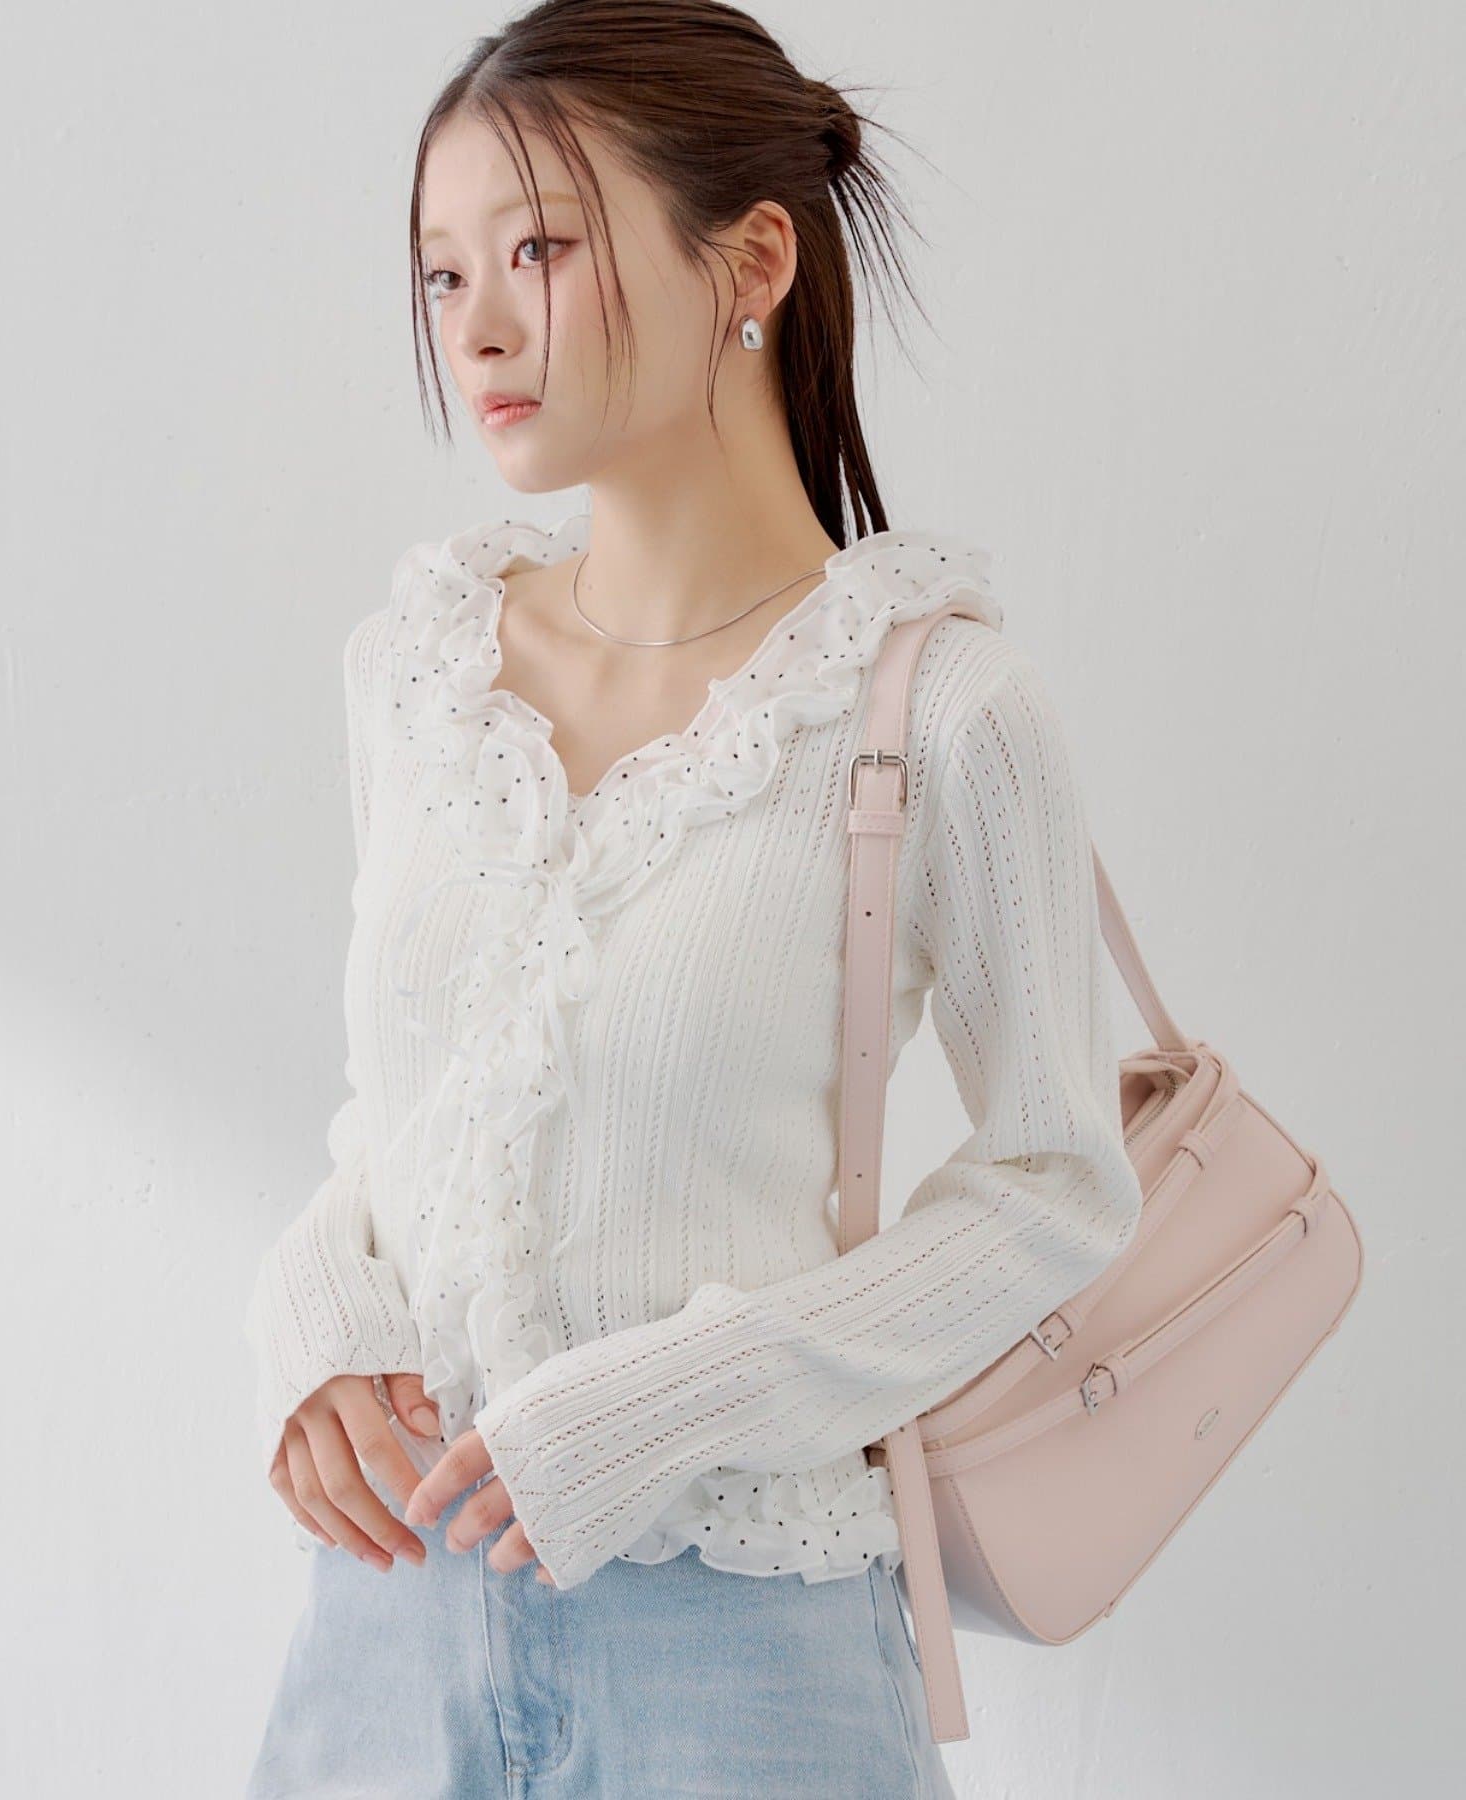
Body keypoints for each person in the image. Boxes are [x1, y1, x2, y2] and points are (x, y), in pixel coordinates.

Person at [241, 3, 1144, 1794]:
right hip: (385, 1626)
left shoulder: (938, 709)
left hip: (740, 1657)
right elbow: (407, 1120)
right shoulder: (415, 674)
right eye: (442, 274)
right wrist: (316, 1328)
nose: (475, 325)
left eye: (540, 249)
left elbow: (1057, 1186)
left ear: (753, 262)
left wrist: (661, 1408)